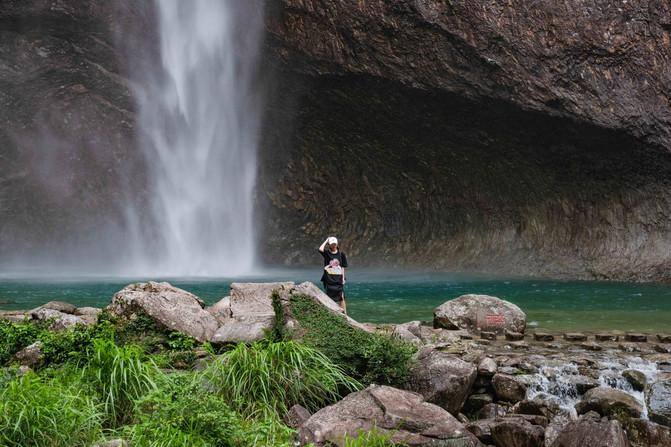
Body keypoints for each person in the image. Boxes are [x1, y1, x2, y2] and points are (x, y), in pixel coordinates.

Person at [318, 236, 348, 313]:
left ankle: (345, 316)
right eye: (332, 244)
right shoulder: (327, 254)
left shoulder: (341, 254)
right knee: (329, 298)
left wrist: (343, 278)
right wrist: (326, 240)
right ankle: (332, 314)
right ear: (329, 245)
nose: (333, 245)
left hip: (338, 280)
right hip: (329, 280)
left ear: (337, 244)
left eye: (334, 244)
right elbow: (320, 249)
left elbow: (343, 267)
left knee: (341, 298)